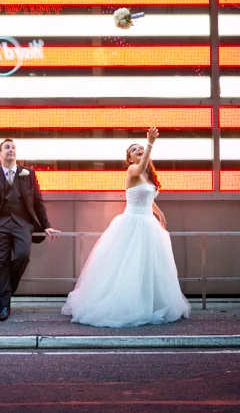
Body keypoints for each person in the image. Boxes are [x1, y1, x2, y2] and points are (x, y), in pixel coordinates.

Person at [61, 128, 191, 327]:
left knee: (150, 265)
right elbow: (141, 169)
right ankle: (127, 305)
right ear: (129, 158)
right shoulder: (133, 170)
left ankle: (151, 302)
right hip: (132, 223)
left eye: (140, 148)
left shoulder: (147, 175)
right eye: (134, 149)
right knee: (130, 265)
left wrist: (159, 213)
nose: (138, 150)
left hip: (149, 223)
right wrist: (150, 143)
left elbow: (147, 197)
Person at [0, 139, 59, 321]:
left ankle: (3, 295)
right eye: (7, 147)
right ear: (0, 154)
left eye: (13, 147)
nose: (11, 150)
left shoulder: (28, 173)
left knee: (22, 256)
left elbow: (37, 201)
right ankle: (4, 306)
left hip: (22, 224)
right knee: (0, 263)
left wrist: (46, 225)